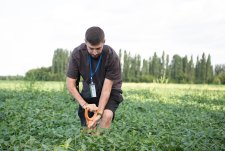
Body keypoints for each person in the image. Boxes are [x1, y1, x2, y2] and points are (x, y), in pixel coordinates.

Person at [66, 26, 123, 129]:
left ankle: (100, 143)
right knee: (89, 126)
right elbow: (70, 84)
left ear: (104, 42)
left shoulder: (111, 56)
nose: (95, 52)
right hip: (90, 89)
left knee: (107, 115)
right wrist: (85, 105)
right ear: (85, 42)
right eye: (91, 48)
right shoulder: (77, 54)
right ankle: (91, 140)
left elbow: (106, 90)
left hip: (110, 90)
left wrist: (100, 113)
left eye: (98, 48)